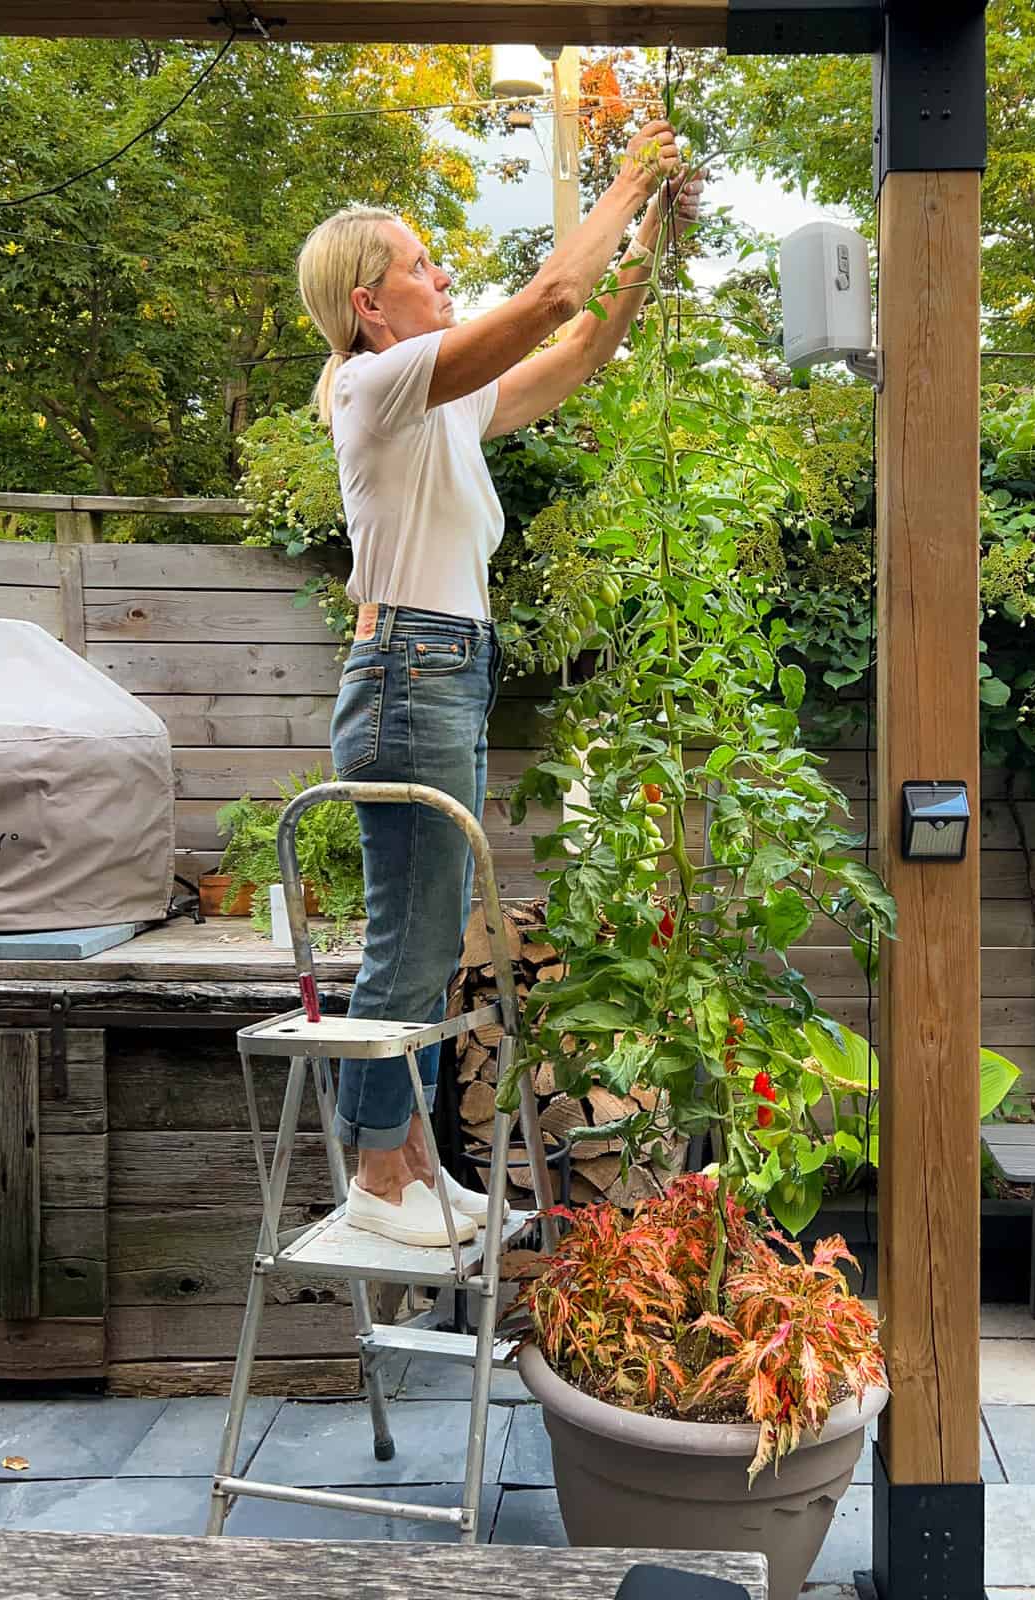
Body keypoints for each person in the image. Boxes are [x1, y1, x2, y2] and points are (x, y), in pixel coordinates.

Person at [296, 118, 703, 1248]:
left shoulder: (443, 401)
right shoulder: (380, 382)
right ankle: (380, 1175)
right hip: (410, 669)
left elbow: (571, 355)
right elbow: (546, 299)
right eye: (421, 265)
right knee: (409, 943)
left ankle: (415, 1156)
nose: (442, 275)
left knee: (434, 940)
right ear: (369, 303)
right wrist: (633, 177)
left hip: (444, 668)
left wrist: (652, 246)